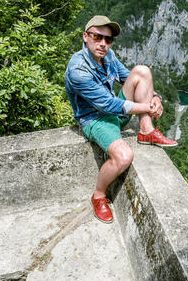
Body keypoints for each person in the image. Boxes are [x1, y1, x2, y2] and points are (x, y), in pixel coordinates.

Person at [65, 15, 178, 223]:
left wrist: (155, 98)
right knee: (124, 156)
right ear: (85, 36)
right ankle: (99, 195)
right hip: (96, 120)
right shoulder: (77, 70)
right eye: (98, 37)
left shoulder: (108, 55)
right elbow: (108, 104)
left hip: (114, 113)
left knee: (142, 71)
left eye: (108, 40)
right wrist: (148, 107)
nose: (103, 44)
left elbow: (128, 77)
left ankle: (146, 131)